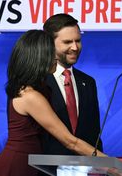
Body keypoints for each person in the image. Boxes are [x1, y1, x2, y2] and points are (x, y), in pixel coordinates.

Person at [0, 30, 106, 176]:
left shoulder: (31, 90)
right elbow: (71, 142)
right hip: (18, 167)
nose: (56, 59)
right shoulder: (30, 96)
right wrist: (114, 165)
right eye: (51, 54)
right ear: (39, 58)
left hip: (32, 164)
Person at [41, 13, 103, 156]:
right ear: (49, 43)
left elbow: (94, 136)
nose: (75, 47)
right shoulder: (37, 81)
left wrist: (102, 167)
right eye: (67, 42)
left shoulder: (88, 82)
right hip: (44, 168)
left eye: (78, 41)